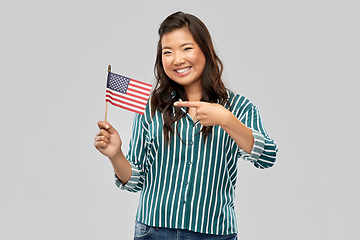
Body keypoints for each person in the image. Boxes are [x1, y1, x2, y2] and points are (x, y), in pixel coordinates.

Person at [94, 11, 278, 240]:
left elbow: (267, 156)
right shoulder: (151, 107)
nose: (177, 59)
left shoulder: (238, 107)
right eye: (167, 52)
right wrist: (115, 155)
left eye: (186, 48)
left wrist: (226, 120)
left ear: (205, 50)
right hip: (153, 231)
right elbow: (136, 181)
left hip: (213, 233)